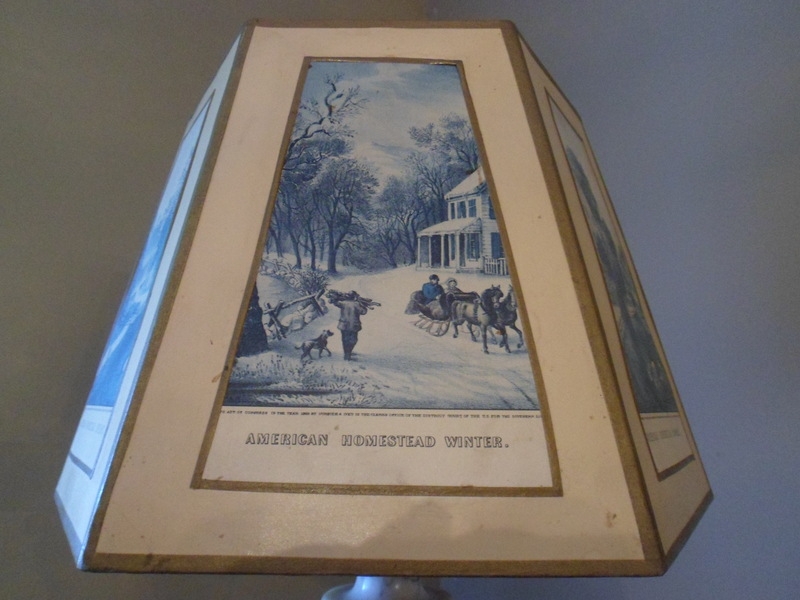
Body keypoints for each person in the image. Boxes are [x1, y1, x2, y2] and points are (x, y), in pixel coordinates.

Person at [329, 290, 368, 361]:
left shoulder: (343, 303)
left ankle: (347, 353)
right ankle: (348, 353)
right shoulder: (357, 304)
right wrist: (364, 305)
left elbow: (334, 302)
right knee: (353, 340)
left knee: (345, 340)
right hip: (354, 325)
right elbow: (363, 312)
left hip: (344, 325)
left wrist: (334, 297)